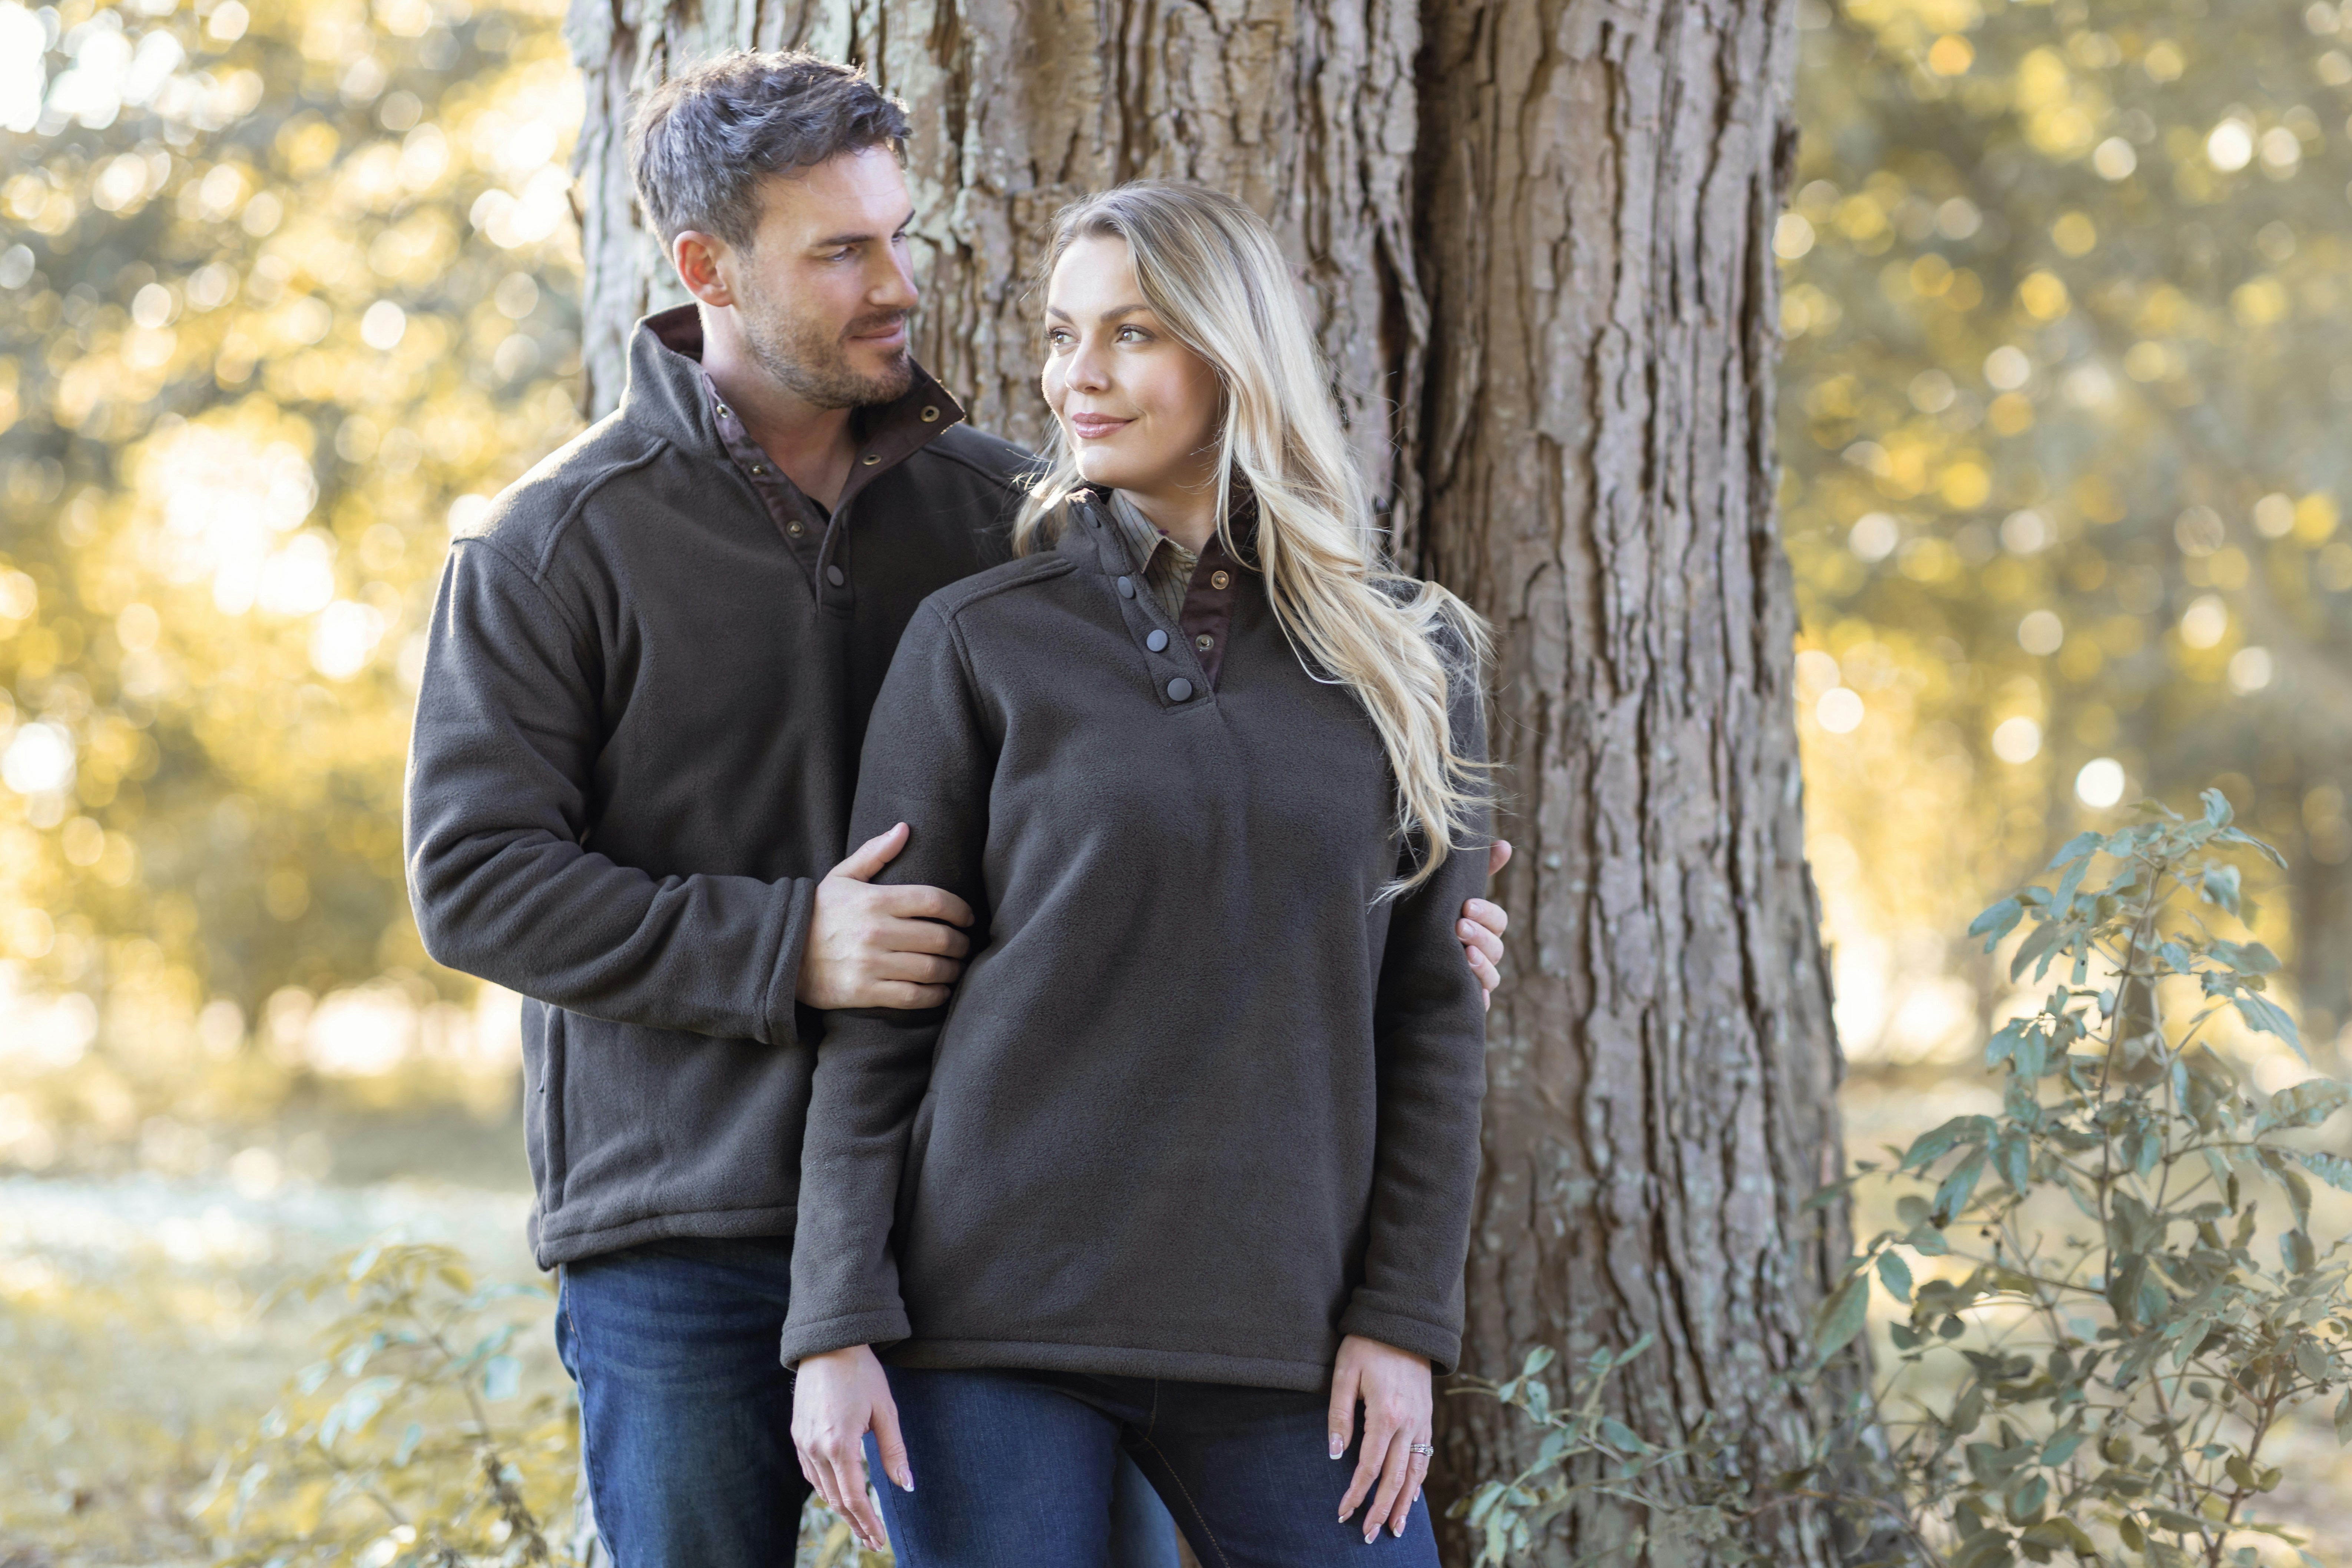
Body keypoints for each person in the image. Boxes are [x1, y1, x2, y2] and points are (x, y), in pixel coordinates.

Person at [401, 53, 1514, 1568]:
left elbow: (1228, 743)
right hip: (693, 1213)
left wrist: (1388, 914)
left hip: (1001, 1230)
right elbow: (475, 879)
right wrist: (794, 941)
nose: (899, 284)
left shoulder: (1014, 514)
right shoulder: (557, 543)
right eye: (842, 251)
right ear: (706, 269)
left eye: (900, 235)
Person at [782, 181, 1493, 1568]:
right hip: (982, 1321)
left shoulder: (1413, 660)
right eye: (1062, 336)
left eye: (1133, 334)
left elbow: (1430, 1018)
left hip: (1286, 1330)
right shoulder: (978, 641)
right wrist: (836, 1323)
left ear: (1232, 358)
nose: (1077, 378)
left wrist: (1403, 1322)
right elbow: (883, 1013)